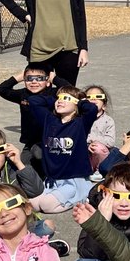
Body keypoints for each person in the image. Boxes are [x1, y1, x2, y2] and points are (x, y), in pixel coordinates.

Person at [28, 84, 99, 212]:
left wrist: (81, 103)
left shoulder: (80, 123)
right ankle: (59, 196)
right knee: (30, 205)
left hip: (73, 181)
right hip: (52, 180)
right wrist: (53, 100)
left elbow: (92, 109)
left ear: (76, 105)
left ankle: (81, 196)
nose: (60, 100)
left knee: (46, 206)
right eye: (59, 98)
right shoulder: (49, 120)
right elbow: (34, 101)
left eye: (66, 98)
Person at [0, 64, 53, 174]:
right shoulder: (23, 94)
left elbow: (71, 90)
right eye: (29, 78)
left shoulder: (53, 93)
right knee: (22, 169)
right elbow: (1, 89)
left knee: (40, 157)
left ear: (48, 80)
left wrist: (54, 79)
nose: (34, 82)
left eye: (39, 78)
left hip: (48, 141)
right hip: (29, 141)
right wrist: (19, 77)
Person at [84, 85, 118, 180]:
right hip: (85, 154)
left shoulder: (108, 120)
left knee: (98, 148)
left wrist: (93, 140)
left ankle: (99, 170)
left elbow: (110, 141)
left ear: (104, 106)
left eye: (98, 97)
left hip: (101, 155)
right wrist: (87, 145)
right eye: (89, 97)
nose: (93, 99)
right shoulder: (79, 119)